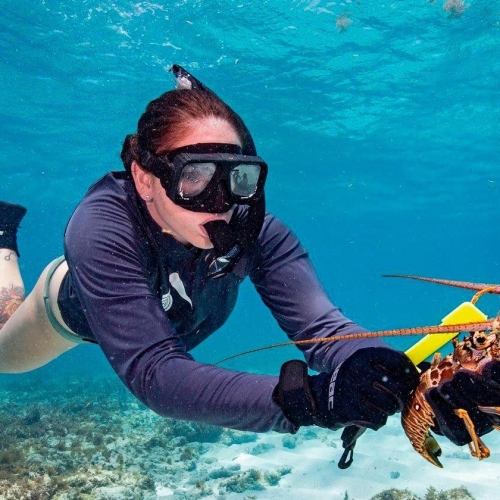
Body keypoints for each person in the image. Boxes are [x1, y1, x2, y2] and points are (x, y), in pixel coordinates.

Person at [1, 65, 498, 467]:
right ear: (145, 178)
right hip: (68, 310)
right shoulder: (103, 228)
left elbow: (323, 328)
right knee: (5, 345)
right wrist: (309, 399)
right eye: (193, 177)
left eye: (237, 178)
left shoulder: (258, 230)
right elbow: (155, 371)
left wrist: (402, 380)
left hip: (180, 318)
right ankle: (4, 247)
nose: (219, 203)